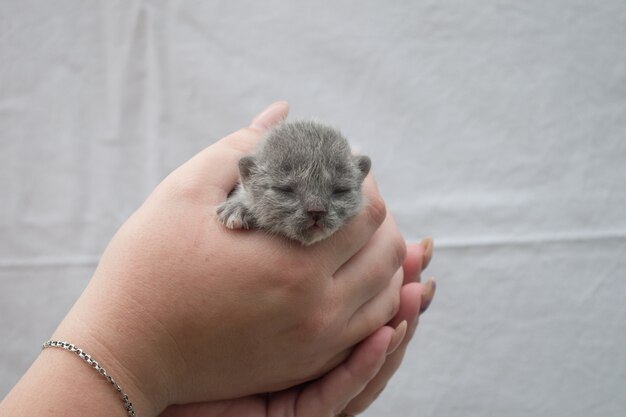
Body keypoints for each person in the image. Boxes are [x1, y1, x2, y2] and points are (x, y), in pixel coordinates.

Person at [0, 102, 436, 417]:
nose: (317, 209)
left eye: (341, 191)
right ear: (246, 176)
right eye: (286, 191)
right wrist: (131, 354)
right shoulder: (234, 196)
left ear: (360, 178)